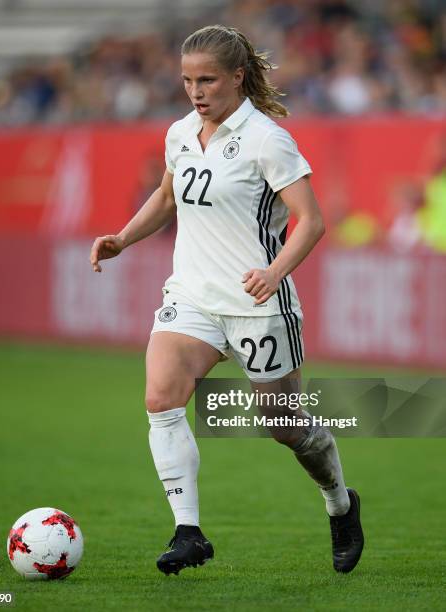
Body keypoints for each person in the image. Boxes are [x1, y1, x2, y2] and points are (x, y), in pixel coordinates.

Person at [90, 24, 364, 576]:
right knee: (160, 397)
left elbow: (310, 222)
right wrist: (123, 236)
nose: (196, 91)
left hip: (257, 305)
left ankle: (340, 500)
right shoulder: (180, 133)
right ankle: (188, 532)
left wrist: (274, 271)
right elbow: (168, 195)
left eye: (208, 80)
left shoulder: (268, 140)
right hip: (191, 295)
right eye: (188, 80)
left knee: (282, 424)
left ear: (238, 77)